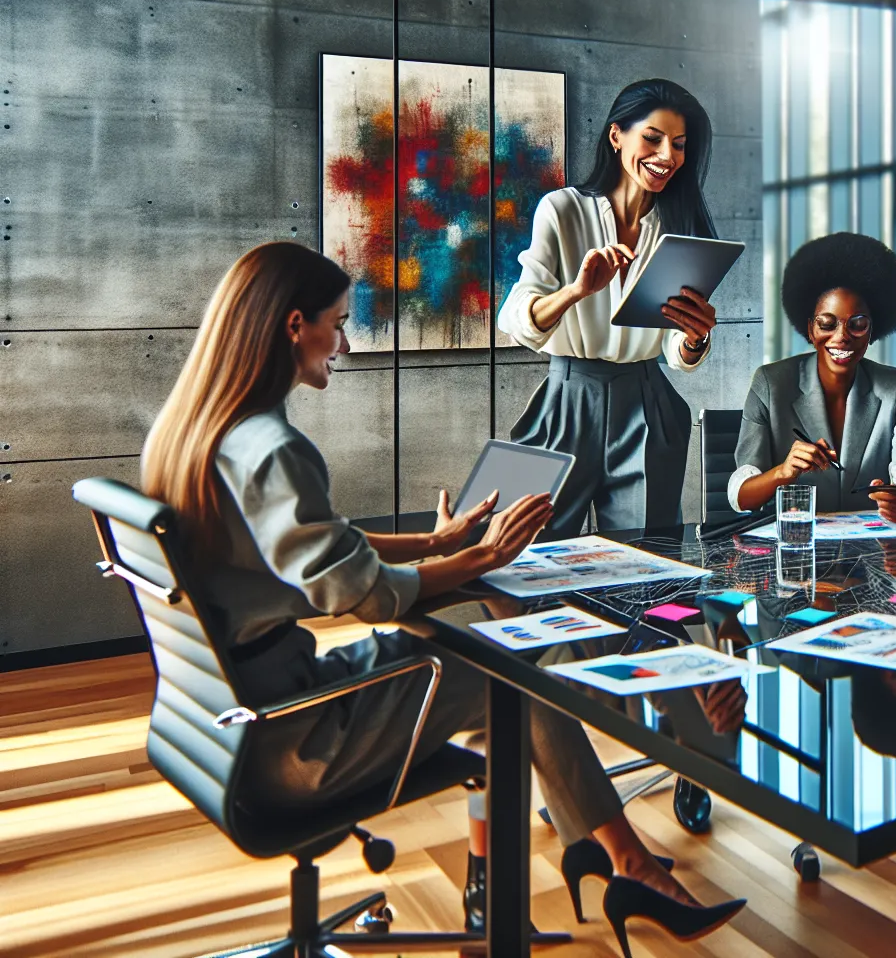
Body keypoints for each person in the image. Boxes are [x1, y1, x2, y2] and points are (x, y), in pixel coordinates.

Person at [141, 242, 743, 948]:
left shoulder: (195, 433)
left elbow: (319, 547)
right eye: (336, 322)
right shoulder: (273, 448)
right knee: (515, 671)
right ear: (293, 324)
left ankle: (523, 891)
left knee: (494, 668)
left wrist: (436, 545)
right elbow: (359, 593)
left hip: (229, 716)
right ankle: (624, 863)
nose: (343, 340)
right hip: (296, 741)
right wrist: (480, 558)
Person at [498, 78, 721, 538]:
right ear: (616, 136)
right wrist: (576, 291)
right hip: (565, 398)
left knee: (649, 564)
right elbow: (515, 319)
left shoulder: (681, 226)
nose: (667, 156)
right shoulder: (562, 209)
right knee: (522, 551)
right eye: (653, 138)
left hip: (648, 398)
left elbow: (677, 352)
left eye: (679, 145)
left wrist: (696, 337)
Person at [729, 231, 896, 520]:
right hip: (797, 545)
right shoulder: (770, 384)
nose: (842, 337)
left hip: (869, 549)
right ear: (810, 330)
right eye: (827, 323)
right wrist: (784, 471)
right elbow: (741, 494)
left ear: (873, 330)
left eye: (857, 324)